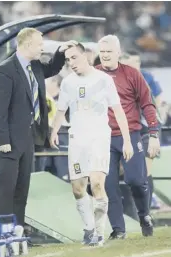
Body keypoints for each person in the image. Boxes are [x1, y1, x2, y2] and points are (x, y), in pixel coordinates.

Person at [0, 27, 77, 229]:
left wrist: (61, 52)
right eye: (40, 45)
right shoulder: (6, 69)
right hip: (9, 141)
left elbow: (53, 69)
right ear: (28, 44)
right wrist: (2, 140)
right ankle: (3, 231)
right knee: (6, 187)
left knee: (22, 188)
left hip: (29, 138)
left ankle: (18, 230)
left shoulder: (35, 65)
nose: (42, 48)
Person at [50, 43, 133, 246]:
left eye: (75, 58)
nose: (72, 63)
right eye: (68, 60)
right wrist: (53, 132)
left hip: (99, 137)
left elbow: (118, 110)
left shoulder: (103, 80)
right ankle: (88, 229)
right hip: (77, 140)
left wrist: (127, 140)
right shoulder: (68, 82)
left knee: (96, 183)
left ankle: (99, 232)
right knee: (78, 189)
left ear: (86, 55)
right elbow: (61, 110)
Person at [95, 35, 160, 239]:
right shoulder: (93, 74)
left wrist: (154, 133)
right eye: (102, 52)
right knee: (108, 184)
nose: (105, 56)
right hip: (102, 137)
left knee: (136, 180)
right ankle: (118, 229)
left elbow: (148, 104)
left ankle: (144, 215)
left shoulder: (131, 74)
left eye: (108, 52)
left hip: (130, 134)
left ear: (118, 53)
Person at [120, 50, 163, 209]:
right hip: (129, 130)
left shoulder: (143, 79)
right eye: (132, 63)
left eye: (137, 62)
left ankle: (146, 208)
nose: (136, 66)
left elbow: (155, 101)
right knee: (131, 173)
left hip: (147, 129)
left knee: (145, 170)